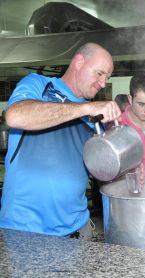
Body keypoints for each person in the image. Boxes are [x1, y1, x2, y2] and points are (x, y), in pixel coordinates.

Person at [0, 43, 121, 238]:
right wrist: (85, 108)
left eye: (107, 77)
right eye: (99, 73)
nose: (103, 83)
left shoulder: (95, 119)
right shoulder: (39, 85)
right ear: (79, 62)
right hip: (25, 232)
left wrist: (123, 167)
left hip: (77, 232)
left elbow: (100, 172)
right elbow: (15, 116)